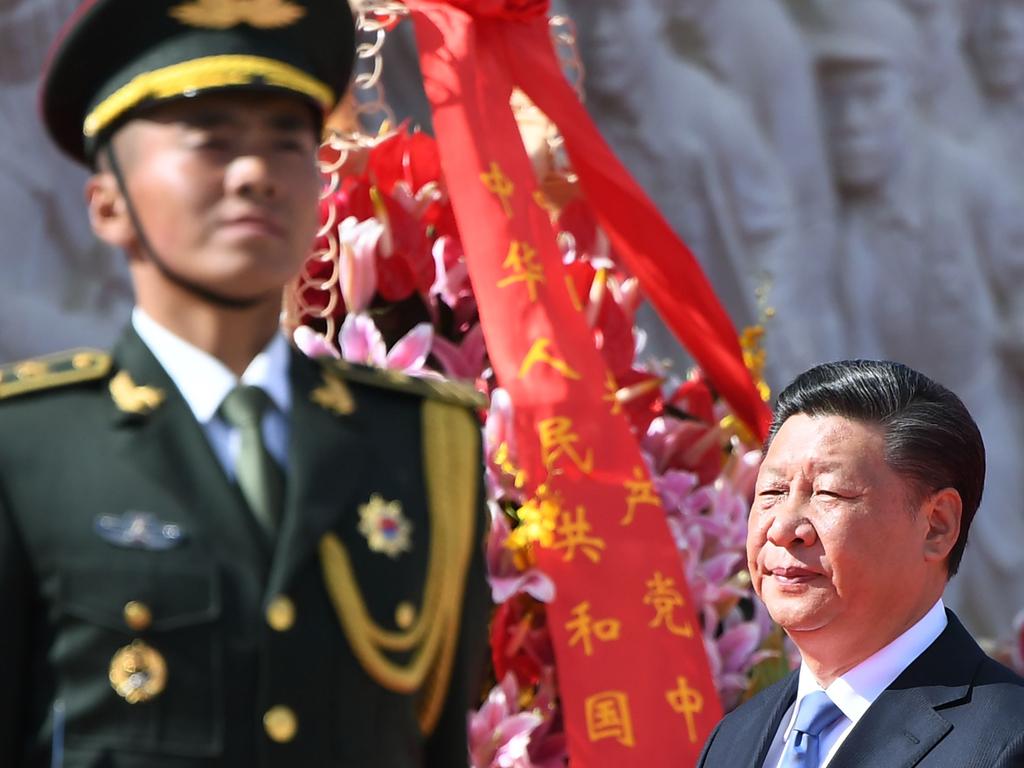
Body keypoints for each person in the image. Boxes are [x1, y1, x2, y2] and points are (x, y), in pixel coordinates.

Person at [0, 1, 489, 765]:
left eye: (287, 142)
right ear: (107, 204)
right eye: (212, 143)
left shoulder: (423, 445)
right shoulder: (28, 452)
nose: (257, 173)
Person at [809, 0, 1024, 640]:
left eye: (870, 99)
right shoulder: (838, 227)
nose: (851, 125)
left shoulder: (973, 189)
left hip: (987, 435)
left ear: (911, 96)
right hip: (886, 462)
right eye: (835, 104)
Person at [699, 359, 1024, 767]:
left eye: (829, 493)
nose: (783, 527)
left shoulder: (1006, 741)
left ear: (937, 526)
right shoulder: (733, 738)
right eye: (772, 491)